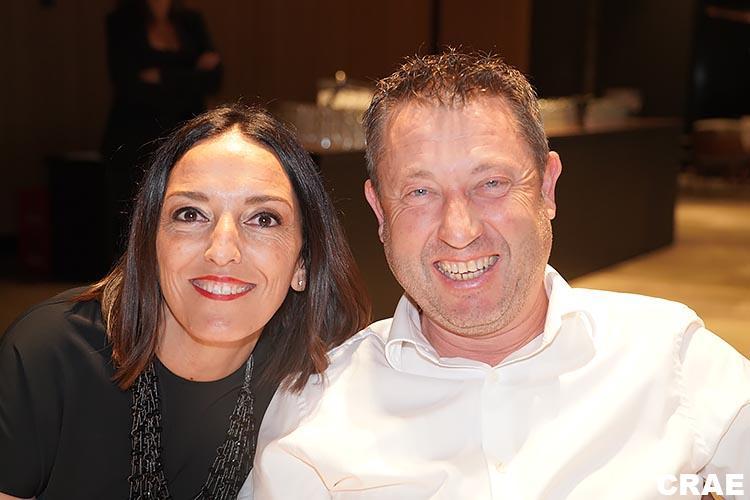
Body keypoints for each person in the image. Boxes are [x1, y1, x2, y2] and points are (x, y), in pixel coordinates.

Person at [251, 51, 750, 499]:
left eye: (491, 183)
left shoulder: (668, 355)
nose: (459, 231)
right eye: (420, 192)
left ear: (547, 188)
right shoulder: (316, 409)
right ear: (380, 212)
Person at [0, 104, 370, 499]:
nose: (222, 250)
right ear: (150, 243)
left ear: (302, 262)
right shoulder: (49, 354)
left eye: (263, 218)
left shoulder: (317, 385)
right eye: (191, 214)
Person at [101, 0, 223, 260]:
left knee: (187, 211)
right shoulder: (122, 21)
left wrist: (162, 77)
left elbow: (214, 79)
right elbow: (129, 86)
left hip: (185, 135)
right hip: (135, 138)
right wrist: (192, 75)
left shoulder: (190, 20)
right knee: (132, 219)